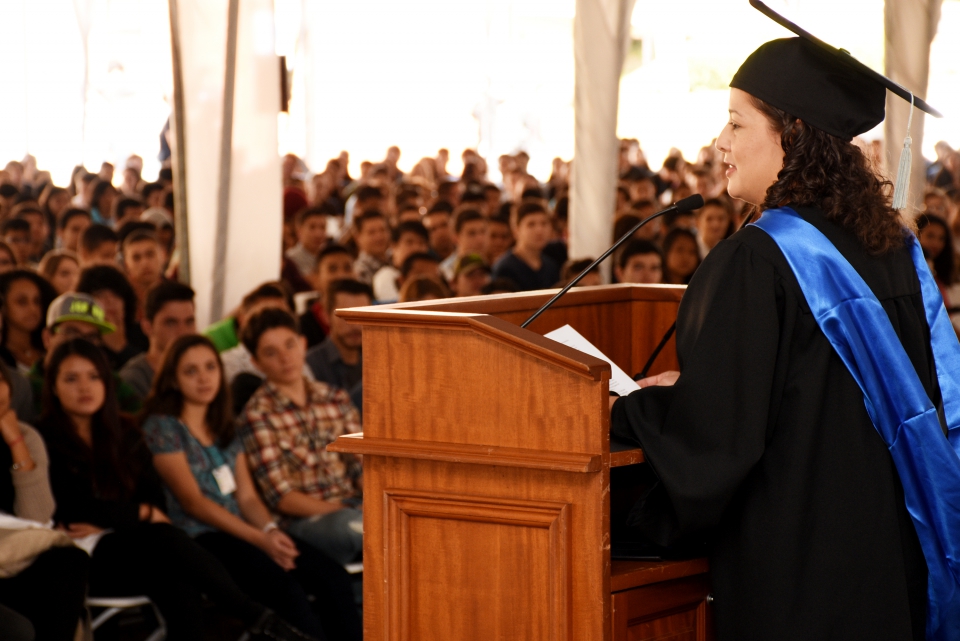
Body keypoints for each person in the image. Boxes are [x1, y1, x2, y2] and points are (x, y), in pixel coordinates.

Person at [609, 24, 954, 641]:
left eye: (737, 123)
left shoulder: (758, 260)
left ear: (791, 135)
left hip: (800, 573)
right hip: (889, 561)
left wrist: (633, 411)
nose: (719, 142)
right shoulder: (892, 250)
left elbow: (716, 445)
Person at [38, 339, 316, 641]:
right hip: (84, 556)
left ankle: (259, 619)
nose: (84, 387)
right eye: (71, 378)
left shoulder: (125, 432)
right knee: (166, 540)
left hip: (139, 547)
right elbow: (71, 508)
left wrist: (121, 517)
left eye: (93, 377)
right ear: (52, 386)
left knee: (180, 583)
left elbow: (154, 500)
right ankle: (255, 616)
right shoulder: (43, 438)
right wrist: (138, 513)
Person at [142, 335, 361, 641]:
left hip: (248, 531)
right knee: (286, 591)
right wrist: (260, 539)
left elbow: (246, 496)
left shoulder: (225, 426)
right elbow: (194, 503)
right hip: (203, 537)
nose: (204, 378)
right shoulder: (164, 427)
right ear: (174, 379)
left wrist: (271, 531)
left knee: (331, 578)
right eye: (191, 371)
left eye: (210, 368)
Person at [238, 308, 363, 566]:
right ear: (256, 363)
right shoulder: (257, 415)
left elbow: (362, 465)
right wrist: (346, 510)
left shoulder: (335, 398)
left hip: (355, 507)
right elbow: (282, 497)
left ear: (303, 344)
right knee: (358, 528)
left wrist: (371, 501)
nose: (285, 358)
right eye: (271, 353)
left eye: (290, 345)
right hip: (306, 522)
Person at [0, 360, 90, 641]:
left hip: (17, 556)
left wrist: (16, 445)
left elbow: (38, 517)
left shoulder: (27, 437)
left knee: (69, 560)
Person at [30, 293, 142, 419]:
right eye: (72, 333)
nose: (81, 343)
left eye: (92, 337)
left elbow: (141, 417)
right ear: (47, 338)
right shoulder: (26, 388)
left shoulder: (111, 381)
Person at [120, 280, 197, 399]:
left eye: (189, 322)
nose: (183, 332)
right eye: (171, 323)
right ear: (147, 327)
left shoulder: (204, 375)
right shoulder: (133, 381)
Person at [76, 265, 149, 369]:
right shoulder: (81, 337)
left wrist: (122, 348)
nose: (110, 301)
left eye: (116, 294)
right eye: (100, 295)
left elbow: (151, 374)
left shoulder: (142, 333)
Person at [305, 280, 370, 392]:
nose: (355, 325)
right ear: (325, 315)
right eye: (345, 315)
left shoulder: (377, 359)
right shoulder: (311, 365)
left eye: (362, 315)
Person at [491, 201, 560, 291]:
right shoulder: (505, 269)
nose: (539, 230)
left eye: (544, 223)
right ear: (516, 230)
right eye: (531, 224)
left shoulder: (550, 266)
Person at [0, 271, 56, 374]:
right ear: (3, 307)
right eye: (22, 302)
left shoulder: (50, 349)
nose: (32, 309)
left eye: (37, 301)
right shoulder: (3, 356)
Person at [300, 245, 355, 348]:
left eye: (347, 268)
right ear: (316, 277)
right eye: (332, 269)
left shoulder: (365, 319)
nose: (341, 275)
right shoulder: (303, 326)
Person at [371, 220, 429, 302]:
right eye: (409, 242)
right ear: (394, 247)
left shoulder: (436, 272)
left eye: (421, 243)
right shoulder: (385, 276)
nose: (416, 248)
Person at [122, 229, 167, 315]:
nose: (144, 263)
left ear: (163, 256)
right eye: (136, 258)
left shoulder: (174, 295)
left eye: (150, 254)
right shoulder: (122, 301)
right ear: (126, 265)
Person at [915, 212, 955, 306]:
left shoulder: (938, 271)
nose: (936, 243)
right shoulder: (909, 270)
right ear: (916, 234)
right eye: (930, 236)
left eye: (941, 239)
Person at [439, 208, 487, 282]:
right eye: (472, 233)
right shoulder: (446, 271)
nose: (480, 239)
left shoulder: (492, 266)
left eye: (482, 232)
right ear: (456, 237)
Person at [286, 206, 330, 278]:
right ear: (299, 230)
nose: (318, 234)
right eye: (312, 227)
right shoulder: (291, 259)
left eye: (323, 227)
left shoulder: (329, 256)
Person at [352, 210, 391, 285]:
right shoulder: (360, 272)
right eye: (371, 232)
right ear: (358, 238)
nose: (379, 237)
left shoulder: (395, 262)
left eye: (382, 230)